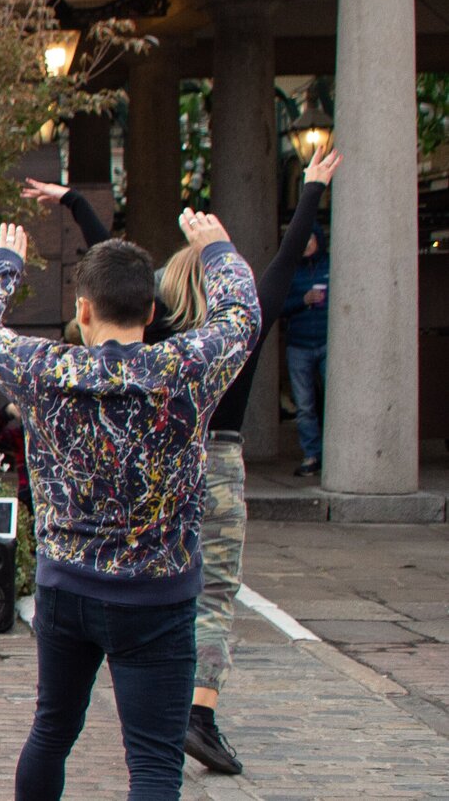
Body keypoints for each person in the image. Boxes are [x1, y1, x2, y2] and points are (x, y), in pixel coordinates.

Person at [0, 208, 258, 801]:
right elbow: (242, 317)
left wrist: (5, 263)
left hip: (67, 587)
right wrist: (219, 250)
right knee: (152, 761)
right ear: (151, 313)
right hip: (157, 595)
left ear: (83, 310)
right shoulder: (184, 368)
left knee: (51, 732)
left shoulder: (47, 370)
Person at [144, 147, 336, 776]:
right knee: (215, 593)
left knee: (153, 582)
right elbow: (284, 264)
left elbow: (118, 274)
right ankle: (198, 713)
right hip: (219, 465)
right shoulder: (242, 329)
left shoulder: (159, 332)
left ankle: (154, 704)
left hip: (163, 464)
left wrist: (74, 203)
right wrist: (309, 189)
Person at [281, 228, 328, 478]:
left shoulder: (331, 265)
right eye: (303, 240)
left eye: (310, 239)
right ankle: (312, 454)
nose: (307, 244)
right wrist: (303, 300)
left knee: (333, 402)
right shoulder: (290, 271)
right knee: (304, 405)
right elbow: (280, 306)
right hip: (298, 344)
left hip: (327, 341)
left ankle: (333, 453)